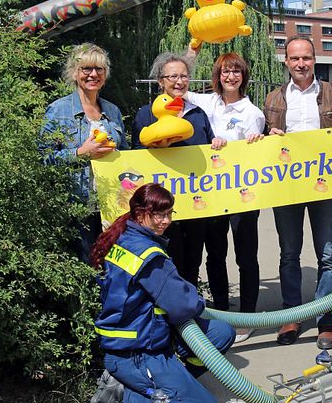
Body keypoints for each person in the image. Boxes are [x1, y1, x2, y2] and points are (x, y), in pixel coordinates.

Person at [88, 183, 234, 403]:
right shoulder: (148, 255)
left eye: (169, 214)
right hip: (136, 353)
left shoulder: (125, 235)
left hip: (144, 337)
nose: (166, 221)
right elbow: (183, 304)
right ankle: (127, 398)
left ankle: (173, 382)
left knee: (221, 332)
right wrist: (197, 301)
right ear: (139, 212)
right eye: (159, 215)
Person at [263, 36, 332, 348]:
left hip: (325, 184)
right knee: (289, 253)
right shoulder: (273, 99)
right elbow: (260, 143)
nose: (301, 64)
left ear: (314, 59)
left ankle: (325, 318)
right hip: (287, 187)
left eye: (306, 58)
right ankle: (291, 313)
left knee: (328, 254)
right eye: (294, 59)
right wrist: (269, 136)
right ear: (286, 62)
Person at [186, 52, 265, 343]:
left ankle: (247, 316)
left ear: (243, 77)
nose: (230, 77)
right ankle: (220, 310)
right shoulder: (208, 102)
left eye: (236, 72)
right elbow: (176, 85)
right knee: (215, 254)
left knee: (246, 256)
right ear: (217, 76)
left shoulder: (252, 113)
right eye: (224, 72)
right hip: (213, 194)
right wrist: (192, 54)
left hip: (244, 195)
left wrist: (254, 142)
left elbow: (255, 154)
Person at [132, 52, 226, 291]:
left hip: (194, 203)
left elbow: (209, 148)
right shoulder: (146, 115)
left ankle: (189, 316)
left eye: (184, 76)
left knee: (192, 263)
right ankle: (167, 319)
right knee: (164, 262)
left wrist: (217, 144)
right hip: (160, 208)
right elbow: (133, 158)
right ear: (160, 81)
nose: (179, 81)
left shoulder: (197, 114)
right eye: (172, 76)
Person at [40, 43, 128, 264]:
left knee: (112, 265)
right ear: (74, 73)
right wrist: (80, 152)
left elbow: (125, 156)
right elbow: (42, 159)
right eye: (86, 69)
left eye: (99, 69)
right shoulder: (58, 111)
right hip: (75, 207)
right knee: (84, 266)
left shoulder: (113, 111)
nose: (93, 74)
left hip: (111, 207)